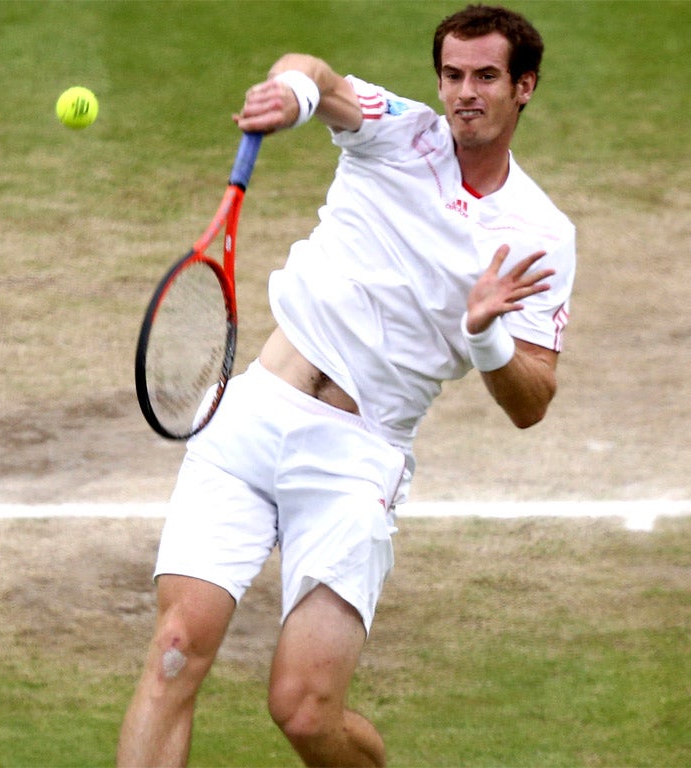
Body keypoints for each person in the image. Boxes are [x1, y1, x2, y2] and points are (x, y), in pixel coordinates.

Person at [117, 4, 575, 766]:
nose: (465, 92)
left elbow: (533, 400)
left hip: (357, 457)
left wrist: (487, 336)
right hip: (252, 413)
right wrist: (291, 97)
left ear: (523, 88)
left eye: (486, 76)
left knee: (303, 712)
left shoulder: (542, 234)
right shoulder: (401, 129)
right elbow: (315, 75)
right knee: (174, 648)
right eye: (453, 74)